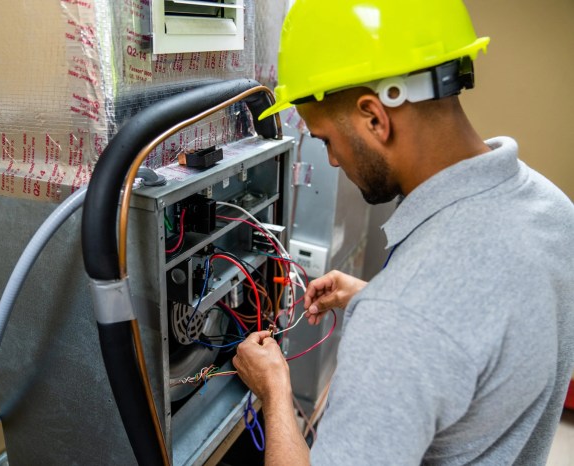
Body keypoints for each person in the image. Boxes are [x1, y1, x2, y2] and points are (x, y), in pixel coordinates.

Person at [232, 0, 574, 464]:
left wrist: (274, 389)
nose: (331, 160)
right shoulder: (553, 209)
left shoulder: (402, 318)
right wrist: (374, 298)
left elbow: (422, 322)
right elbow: (483, 331)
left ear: (375, 116)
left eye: (327, 140)